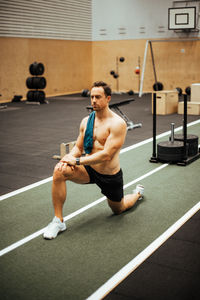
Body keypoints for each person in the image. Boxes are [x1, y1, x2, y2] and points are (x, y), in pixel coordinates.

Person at [43, 81, 144, 239]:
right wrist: (68, 158)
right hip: (89, 170)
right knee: (59, 172)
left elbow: (106, 155)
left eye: (98, 97)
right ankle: (58, 221)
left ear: (108, 98)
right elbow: (78, 147)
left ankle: (137, 194)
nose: (94, 100)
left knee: (119, 209)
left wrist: (76, 161)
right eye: (92, 97)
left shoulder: (118, 124)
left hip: (109, 175)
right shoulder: (86, 121)